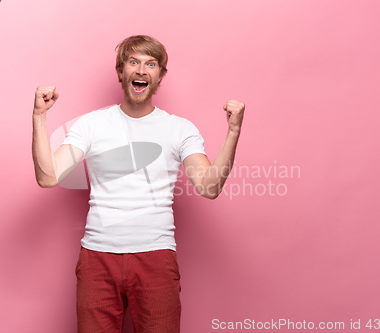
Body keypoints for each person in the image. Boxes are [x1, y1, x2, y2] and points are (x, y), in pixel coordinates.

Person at [32, 35, 245, 333]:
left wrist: (233, 132)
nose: (141, 70)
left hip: (156, 258)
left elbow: (209, 187)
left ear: (160, 75)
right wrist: (40, 116)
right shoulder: (91, 125)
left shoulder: (180, 129)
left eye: (151, 64)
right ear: (121, 72)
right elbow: (47, 176)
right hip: (97, 258)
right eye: (133, 62)